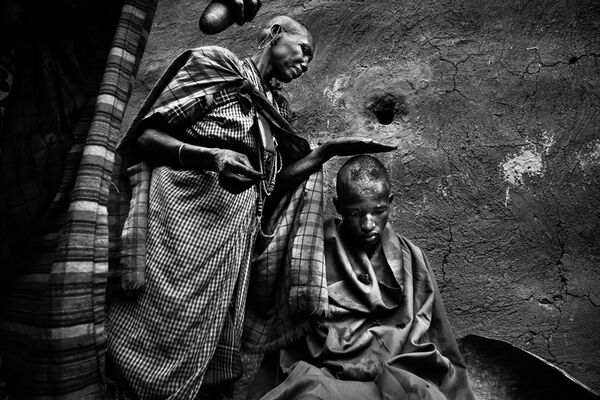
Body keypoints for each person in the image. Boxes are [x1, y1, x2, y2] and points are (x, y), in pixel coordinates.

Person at [106, 16, 395, 400]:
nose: (306, 63)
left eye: (310, 59)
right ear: (275, 35)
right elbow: (146, 135)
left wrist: (326, 152)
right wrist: (212, 157)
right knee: (155, 317)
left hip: (230, 244)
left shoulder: (274, 112)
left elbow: (271, 188)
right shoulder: (215, 66)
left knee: (205, 341)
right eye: (303, 50)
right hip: (178, 221)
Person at [248, 155, 475, 400]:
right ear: (338, 206)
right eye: (356, 212)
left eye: (379, 211)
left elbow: (440, 334)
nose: (368, 224)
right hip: (328, 372)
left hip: (399, 372)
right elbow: (291, 334)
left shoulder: (411, 256)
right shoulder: (313, 252)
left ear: (390, 202)